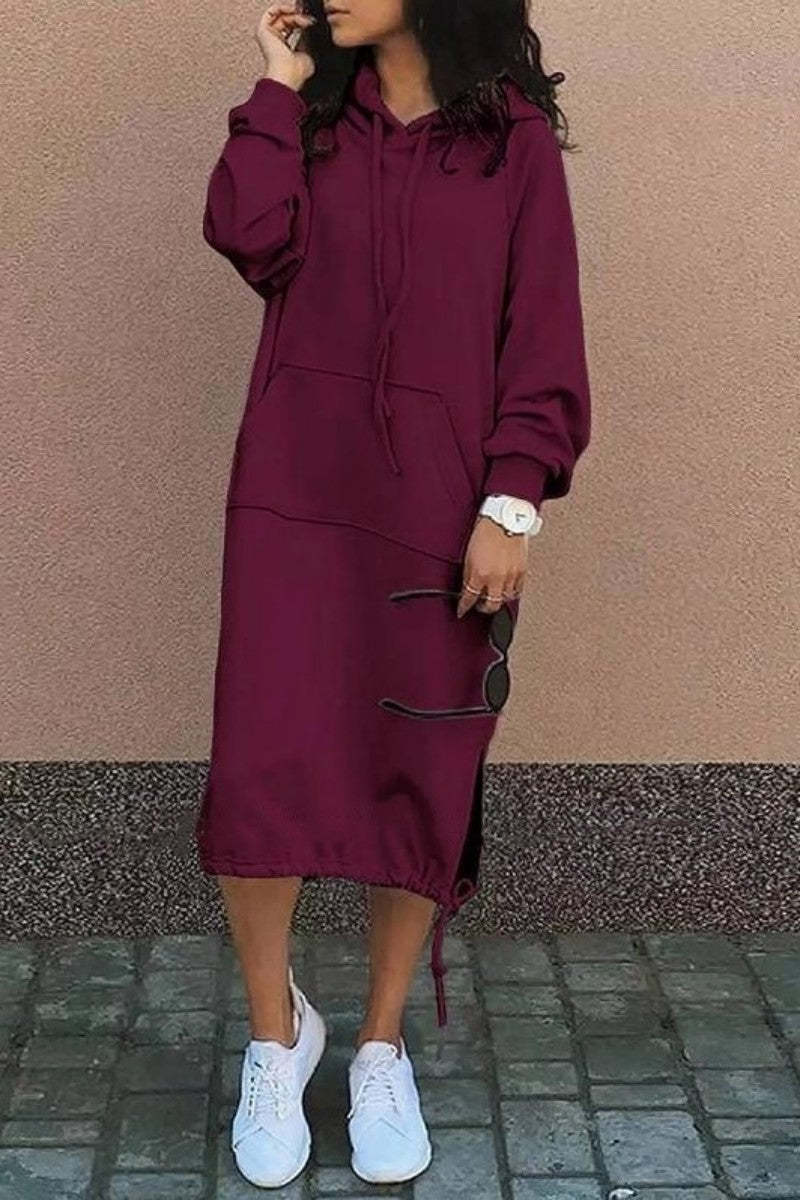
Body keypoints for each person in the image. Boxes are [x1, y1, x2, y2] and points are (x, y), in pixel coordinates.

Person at [195, 0, 591, 1188]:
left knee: (417, 774)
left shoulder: (511, 142)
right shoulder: (310, 121)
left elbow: (543, 334)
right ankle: (275, 1039)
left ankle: (377, 1046)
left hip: (439, 517)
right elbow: (246, 236)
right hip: (293, 502)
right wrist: (276, 87)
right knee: (261, 766)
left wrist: (510, 504)